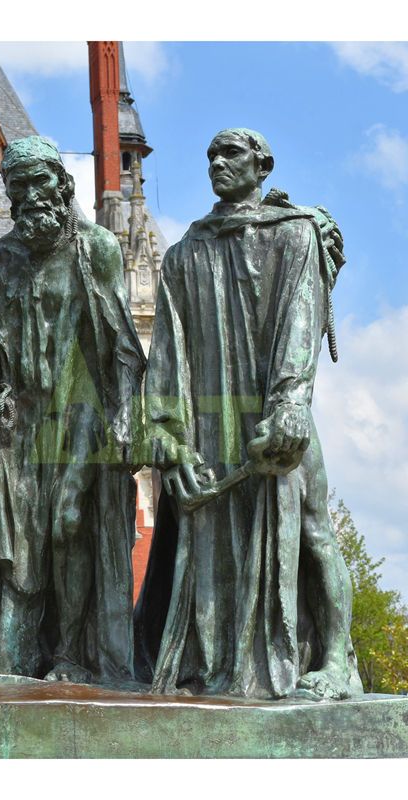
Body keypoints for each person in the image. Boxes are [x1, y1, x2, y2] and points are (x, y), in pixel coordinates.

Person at [134, 128, 362, 700]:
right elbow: (168, 347)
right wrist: (166, 431)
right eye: (210, 154)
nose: (216, 162)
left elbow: (299, 322)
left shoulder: (292, 235)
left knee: (312, 529)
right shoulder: (187, 252)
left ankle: (336, 661)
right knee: (211, 546)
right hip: (211, 424)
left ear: (262, 165)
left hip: (278, 412)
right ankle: (221, 664)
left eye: (230, 153)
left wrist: (289, 403)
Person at [0, 136, 145, 683]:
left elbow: (124, 345)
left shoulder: (96, 248)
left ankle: (70, 654)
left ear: (62, 187)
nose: (31, 195)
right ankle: (14, 658)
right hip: (17, 420)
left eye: (41, 182)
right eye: (18, 186)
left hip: (81, 414)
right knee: (19, 549)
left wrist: (127, 416)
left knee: (68, 524)